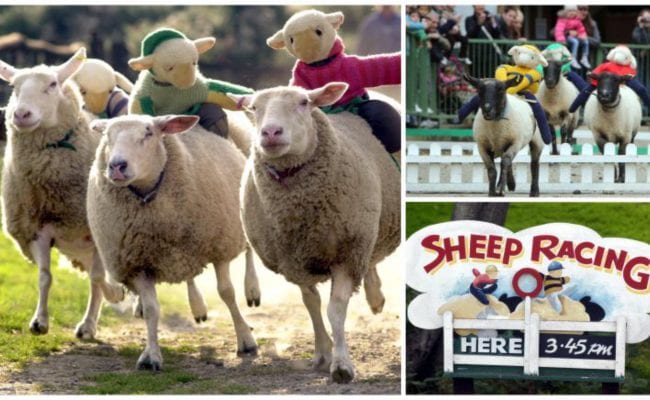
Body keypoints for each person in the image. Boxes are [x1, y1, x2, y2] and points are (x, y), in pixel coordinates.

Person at [568, 45, 650, 113]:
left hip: (622, 79)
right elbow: (597, 72)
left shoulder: (628, 67)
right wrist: (593, 76)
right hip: (605, 81)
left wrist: (625, 79)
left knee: (641, 89)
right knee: (585, 91)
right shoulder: (607, 65)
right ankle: (572, 109)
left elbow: (630, 75)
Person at [554, 5, 591, 69]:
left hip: (574, 37)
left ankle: (584, 57)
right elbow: (559, 30)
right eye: (569, 11)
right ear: (565, 12)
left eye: (573, 11)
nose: (572, 13)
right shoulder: (563, 19)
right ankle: (573, 58)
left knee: (585, 41)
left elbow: (581, 29)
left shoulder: (577, 20)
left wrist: (583, 35)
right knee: (575, 42)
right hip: (566, 37)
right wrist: (561, 39)